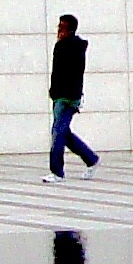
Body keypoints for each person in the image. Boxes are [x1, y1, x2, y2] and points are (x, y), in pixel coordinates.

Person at [47, 13, 98, 178]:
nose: (58, 30)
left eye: (61, 27)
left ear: (69, 30)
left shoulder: (72, 47)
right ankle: (91, 159)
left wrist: (72, 96)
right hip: (59, 97)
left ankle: (57, 172)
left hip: (68, 98)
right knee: (63, 133)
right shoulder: (61, 46)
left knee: (57, 132)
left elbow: (74, 73)